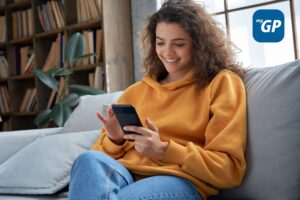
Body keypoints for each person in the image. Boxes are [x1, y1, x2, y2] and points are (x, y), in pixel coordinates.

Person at [68, 0, 247, 199]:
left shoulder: (221, 83)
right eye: (160, 43)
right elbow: (99, 164)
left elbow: (229, 169)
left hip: (180, 180)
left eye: (179, 44)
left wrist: (163, 150)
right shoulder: (135, 92)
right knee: (87, 160)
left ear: (198, 45)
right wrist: (115, 140)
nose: (167, 53)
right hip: (125, 174)